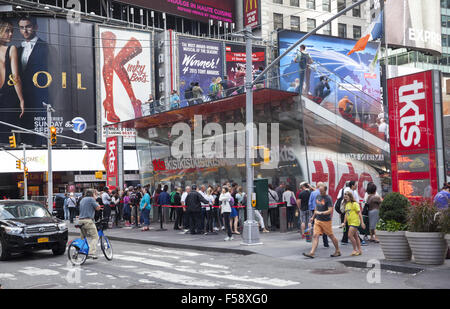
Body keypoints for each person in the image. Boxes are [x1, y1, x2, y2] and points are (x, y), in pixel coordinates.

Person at [0, 19, 25, 141]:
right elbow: (16, 77)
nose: (10, 34)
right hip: (8, 97)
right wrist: (21, 99)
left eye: (12, 31)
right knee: (10, 134)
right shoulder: (12, 49)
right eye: (7, 31)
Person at [303, 185, 341, 258]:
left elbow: (330, 210)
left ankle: (337, 250)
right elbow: (316, 207)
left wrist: (321, 213)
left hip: (326, 221)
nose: (320, 192)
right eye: (319, 190)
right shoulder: (318, 196)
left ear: (325, 190)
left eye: (321, 191)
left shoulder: (328, 198)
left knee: (331, 236)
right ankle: (312, 252)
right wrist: (313, 217)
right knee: (315, 235)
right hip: (318, 220)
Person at [78, 189, 102, 259]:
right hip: (88, 221)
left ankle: (79, 250)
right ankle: (91, 253)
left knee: (83, 237)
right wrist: (95, 199)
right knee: (95, 237)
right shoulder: (91, 199)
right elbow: (97, 208)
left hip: (80, 220)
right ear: (92, 194)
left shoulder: (82, 199)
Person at [342, 191, 365, 256]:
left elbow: (359, 213)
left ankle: (355, 250)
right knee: (356, 236)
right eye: (345, 196)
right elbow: (346, 214)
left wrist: (362, 222)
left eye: (347, 196)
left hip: (355, 222)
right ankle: (359, 250)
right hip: (350, 223)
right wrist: (344, 223)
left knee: (349, 235)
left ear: (350, 196)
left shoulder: (354, 204)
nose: (345, 197)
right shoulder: (346, 204)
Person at [308, 182, 329, 247]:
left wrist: (311, 212)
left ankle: (315, 243)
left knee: (315, 226)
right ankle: (326, 243)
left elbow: (310, 203)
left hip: (315, 212)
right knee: (324, 226)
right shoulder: (324, 194)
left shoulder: (313, 193)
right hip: (323, 212)